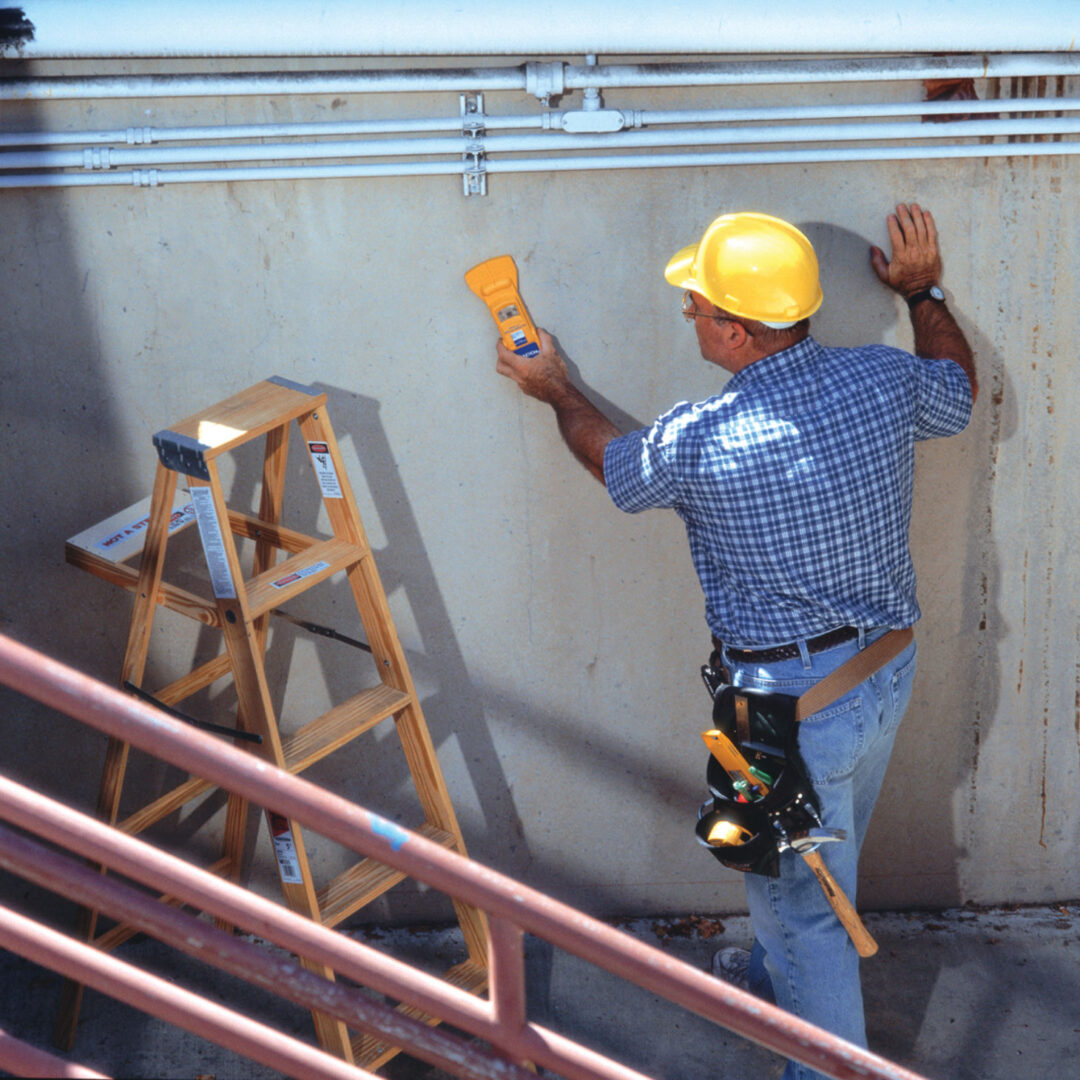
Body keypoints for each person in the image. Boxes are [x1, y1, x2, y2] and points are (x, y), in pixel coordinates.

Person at [493, 204, 976, 1078]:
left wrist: (555, 388)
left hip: (790, 713)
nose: (690, 314)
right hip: (881, 674)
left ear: (742, 332)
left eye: (702, 305)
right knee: (819, 862)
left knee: (811, 910)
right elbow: (955, 388)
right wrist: (923, 291)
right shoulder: (883, 381)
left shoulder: (702, 441)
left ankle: (825, 1063)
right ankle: (770, 980)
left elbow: (615, 464)